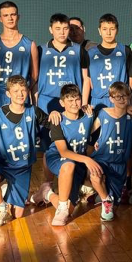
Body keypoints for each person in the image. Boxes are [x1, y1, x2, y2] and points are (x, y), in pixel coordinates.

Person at [0, 76, 43, 227]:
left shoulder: (33, 111)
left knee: (18, 214)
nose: (20, 94)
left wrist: (55, 114)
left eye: (23, 90)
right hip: (3, 164)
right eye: (16, 91)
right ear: (8, 94)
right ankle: (1, 207)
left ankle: (3, 192)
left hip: (22, 168)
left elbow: (50, 123)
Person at [43, 84, 96, 227]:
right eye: (70, 100)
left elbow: (109, 114)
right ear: (62, 103)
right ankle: (61, 207)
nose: (74, 103)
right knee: (68, 165)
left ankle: (47, 193)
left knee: (71, 210)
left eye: (77, 99)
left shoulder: (89, 115)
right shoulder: (57, 120)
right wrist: (87, 160)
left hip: (78, 160)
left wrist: (128, 109)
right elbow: (63, 152)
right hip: (57, 157)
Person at [89, 82, 132, 222]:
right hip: (102, 158)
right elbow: (89, 132)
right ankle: (105, 199)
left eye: (124, 96)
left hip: (119, 163)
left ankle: (104, 196)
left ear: (129, 97)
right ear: (111, 98)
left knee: (114, 209)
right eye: (117, 97)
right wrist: (97, 140)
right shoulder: (103, 113)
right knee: (95, 175)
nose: (121, 99)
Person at [0, 1, 38, 116]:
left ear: (18, 17)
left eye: (13, 14)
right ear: (0, 19)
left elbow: (34, 76)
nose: (10, 18)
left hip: (20, 96)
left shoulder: (30, 44)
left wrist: (20, 90)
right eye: (5, 15)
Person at [37, 13, 91, 114]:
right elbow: (34, 80)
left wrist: (84, 103)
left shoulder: (79, 50)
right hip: (46, 101)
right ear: (50, 29)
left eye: (65, 28)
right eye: (57, 29)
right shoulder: (40, 50)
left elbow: (86, 78)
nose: (62, 32)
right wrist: (35, 103)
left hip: (72, 101)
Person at [89, 14, 132, 110]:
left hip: (119, 99)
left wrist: (126, 98)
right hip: (98, 100)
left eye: (112, 29)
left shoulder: (125, 50)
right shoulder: (90, 53)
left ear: (117, 30)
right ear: (99, 31)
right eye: (105, 29)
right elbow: (89, 78)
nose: (108, 33)